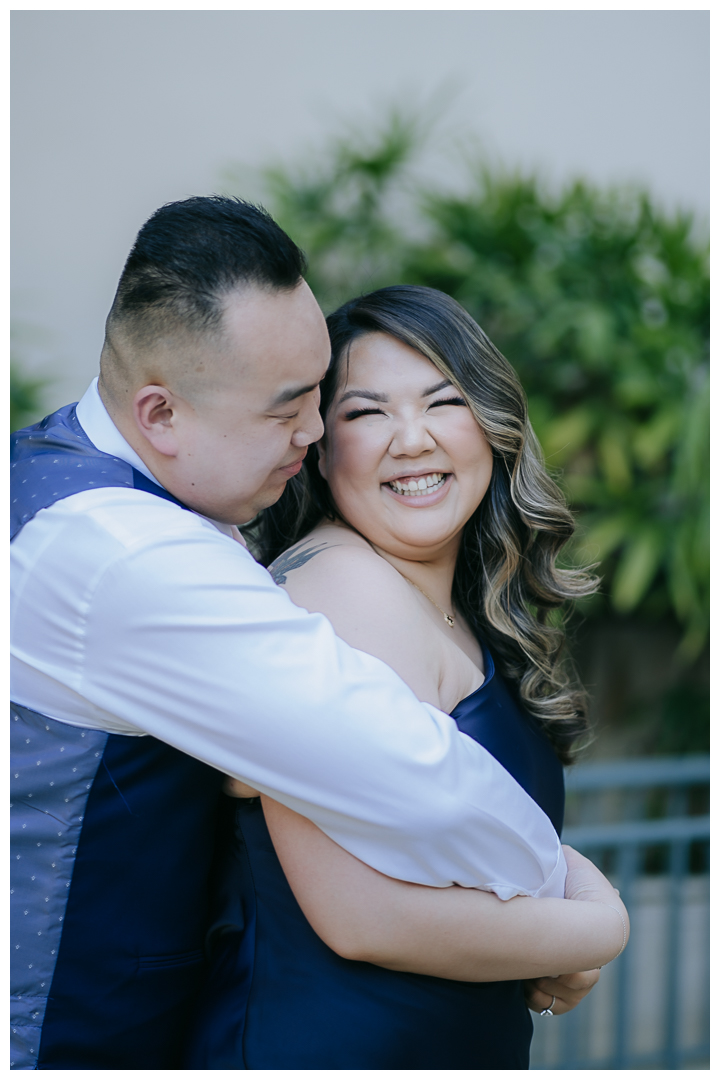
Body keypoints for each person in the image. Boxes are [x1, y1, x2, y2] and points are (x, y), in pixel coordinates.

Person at [11, 198, 572, 1070]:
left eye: (319, 397)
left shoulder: (83, 484)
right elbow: (401, 768)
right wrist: (579, 905)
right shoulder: (123, 553)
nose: (312, 435)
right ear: (160, 414)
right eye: (290, 411)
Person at [186, 285, 628, 1070]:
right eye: (366, 413)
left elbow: (471, 826)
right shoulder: (339, 592)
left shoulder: (456, 603)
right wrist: (597, 926)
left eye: (442, 401)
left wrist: (565, 885)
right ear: (318, 447)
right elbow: (363, 917)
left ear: (491, 427)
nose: (411, 439)